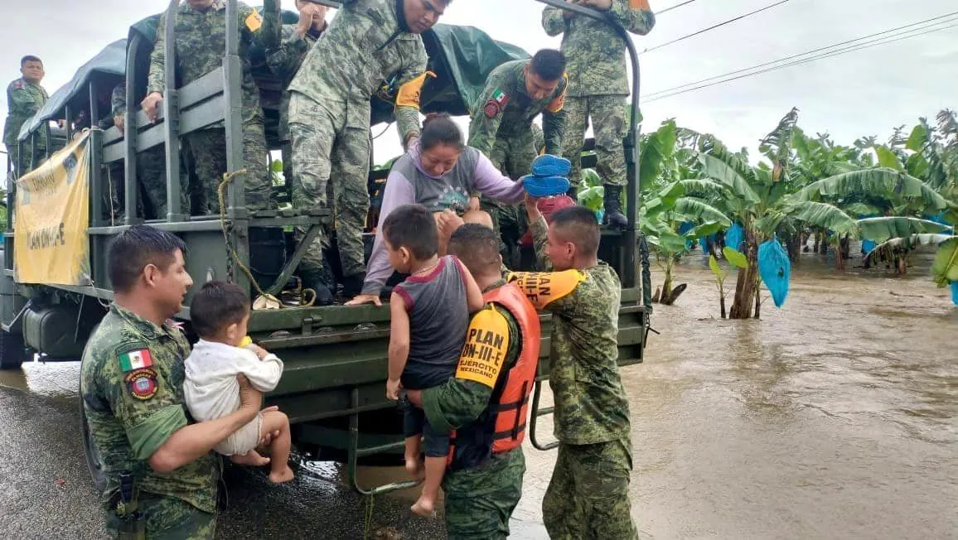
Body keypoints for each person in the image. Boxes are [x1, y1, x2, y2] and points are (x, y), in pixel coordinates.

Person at [80, 225, 278, 537]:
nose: (189, 280)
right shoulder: (126, 351)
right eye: (180, 270)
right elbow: (166, 453)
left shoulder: (166, 333)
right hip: (160, 518)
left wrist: (242, 436)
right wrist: (247, 412)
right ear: (151, 275)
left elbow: (195, 408)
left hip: (184, 509)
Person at [286, 0, 452, 302]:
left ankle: (354, 275)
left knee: (355, 194)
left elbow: (406, 102)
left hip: (357, 107)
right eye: (426, 6)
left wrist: (414, 141)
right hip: (317, 90)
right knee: (311, 180)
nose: (430, 17)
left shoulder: (416, 53)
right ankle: (311, 272)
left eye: (438, 13)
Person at [509, 199, 638, 539]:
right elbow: (543, 254)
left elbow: (505, 280)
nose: (547, 252)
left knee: (612, 529)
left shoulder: (582, 290)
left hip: (599, 433)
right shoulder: (601, 273)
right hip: (578, 432)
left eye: (553, 246)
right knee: (560, 512)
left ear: (569, 249)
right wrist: (533, 213)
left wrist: (461, 252)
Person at [405, 223, 542, 539]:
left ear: (458, 270)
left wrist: (410, 395)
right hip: (501, 462)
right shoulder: (513, 294)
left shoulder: (490, 319)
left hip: (481, 470)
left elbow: (463, 401)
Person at [347, 113, 525, 306]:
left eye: (448, 163)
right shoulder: (404, 171)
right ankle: (442, 292)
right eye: (433, 161)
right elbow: (388, 230)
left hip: (456, 240)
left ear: (461, 153)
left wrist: (532, 185)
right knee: (440, 220)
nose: (440, 170)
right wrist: (372, 286)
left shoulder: (472, 159)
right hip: (419, 249)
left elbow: (506, 190)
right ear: (420, 150)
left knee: (480, 219)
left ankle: (481, 289)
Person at [380, 204, 484, 516]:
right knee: (437, 433)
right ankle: (427, 497)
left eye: (387, 250)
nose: (387, 257)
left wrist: (392, 378)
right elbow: (477, 302)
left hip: (415, 375)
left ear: (403, 254)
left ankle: (412, 461)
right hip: (446, 375)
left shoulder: (402, 293)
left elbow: (399, 344)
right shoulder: (455, 264)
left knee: (410, 408)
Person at [141, 0, 273, 216]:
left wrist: (272, 7)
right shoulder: (172, 16)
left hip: (243, 114)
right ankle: (227, 249)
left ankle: (259, 247)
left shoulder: (239, 9)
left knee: (255, 191)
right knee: (218, 198)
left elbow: (267, 38)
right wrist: (155, 90)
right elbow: (161, 57)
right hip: (202, 121)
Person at [543, 0, 655, 228]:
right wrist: (568, 9)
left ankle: (612, 207)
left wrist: (609, 5)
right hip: (572, 83)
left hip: (609, 82)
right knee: (567, 145)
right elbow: (548, 23)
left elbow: (645, 22)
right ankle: (568, 204)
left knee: (610, 142)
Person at [184, 281, 294, 484]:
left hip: (209, 433)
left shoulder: (196, 352)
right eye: (246, 324)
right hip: (231, 435)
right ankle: (280, 471)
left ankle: (242, 453)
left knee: (240, 403)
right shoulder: (239, 358)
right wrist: (266, 355)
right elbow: (270, 379)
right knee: (280, 419)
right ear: (233, 331)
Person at [468, 49, 568, 266]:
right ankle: (494, 261)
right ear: (526, 71)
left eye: (547, 89)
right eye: (536, 86)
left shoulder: (560, 84)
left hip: (522, 132)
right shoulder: (503, 81)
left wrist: (553, 163)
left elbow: (555, 124)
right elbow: (483, 134)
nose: (540, 95)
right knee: (487, 192)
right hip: (492, 134)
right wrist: (474, 190)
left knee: (534, 189)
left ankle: (536, 256)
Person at [111, 81, 186, 220]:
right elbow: (121, 119)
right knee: (163, 201)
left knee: (178, 199)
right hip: (149, 153)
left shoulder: (157, 80)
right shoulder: (124, 88)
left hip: (171, 147)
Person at [3, 55, 48, 173]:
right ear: (22, 70)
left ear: (43, 73)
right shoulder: (17, 85)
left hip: (39, 139)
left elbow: (51, 107)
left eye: (38, 67)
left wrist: (61, 119)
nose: (35, 69)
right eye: (30, 66)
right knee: (26, 174)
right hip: (21, 138)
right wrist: (52, 113)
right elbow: (29, 106)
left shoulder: (42, 91)